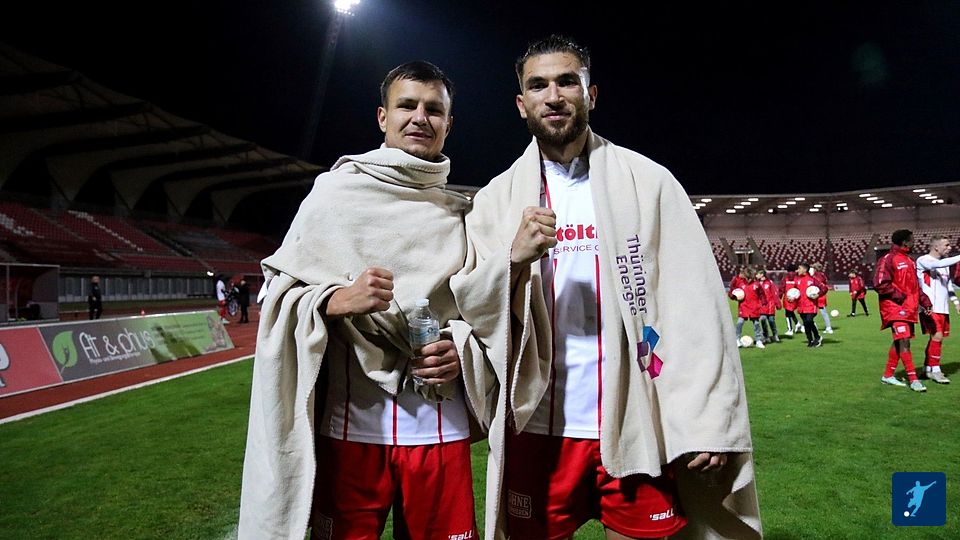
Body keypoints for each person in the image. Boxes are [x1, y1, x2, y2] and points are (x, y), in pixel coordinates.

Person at [451, 35, 760, 540]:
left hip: (635, 417)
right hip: (537, 427)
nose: (553, 96)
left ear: (590, 94)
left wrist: (708, 419)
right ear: (521, 103)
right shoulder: (495, 201)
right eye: (538, 85)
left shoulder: (649, 183)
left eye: (567, 82)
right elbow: (472, 307)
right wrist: (512, 258)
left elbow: (696, 307)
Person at [238, 61, 479, 540]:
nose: (420, 117)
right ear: (382, 117)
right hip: (351, 426)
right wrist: (333, 300)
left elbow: (486, 309)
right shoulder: (333, 196)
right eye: (407, 105)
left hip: (440, 425)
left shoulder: (464, 213)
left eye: (434, 109)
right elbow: (274, 294)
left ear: (448, 124)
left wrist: (462, 347)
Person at [874, 229, 931, 393]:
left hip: (909, 307)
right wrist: (900, 296)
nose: (914, 242)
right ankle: (913, 380)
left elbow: (914, 286)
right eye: (912, 239)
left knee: (901, 340)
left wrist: (925, 301)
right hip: (894, 307)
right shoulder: (888, 259)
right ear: (905, 242)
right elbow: (880, 283)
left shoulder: (910, 260)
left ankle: (888, 375)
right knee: (904, 339)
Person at [915, 235, 960, 384]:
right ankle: (936, 371)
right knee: (937, 336)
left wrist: (955, 301)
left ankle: (927, 368)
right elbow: (936, 265)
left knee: (935, 338)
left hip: (943, 307)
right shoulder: (923, 260)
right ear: (936, 247)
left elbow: (948, 285)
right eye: (946, 245)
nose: (949, 247)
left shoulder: (944, 264)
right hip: (929, 306)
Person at [729, 266, 765, 348]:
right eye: (747, 277)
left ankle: (758, 340)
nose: (749, 279)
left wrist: (763, 302)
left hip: (754, 307)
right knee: (739, 322)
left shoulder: (757, 284)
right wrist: (733, 296)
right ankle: (737, 339)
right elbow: (732, 292)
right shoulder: (740, 284)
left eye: (750, 278)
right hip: (743, 306)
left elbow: (762, 294)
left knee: (756, 324)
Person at [795, 263, 826, 347]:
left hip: (811, 305)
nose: (798, 270)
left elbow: (824, 288)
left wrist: (818, 294)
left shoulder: (813, 279)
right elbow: (795, 292)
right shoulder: (797, 280)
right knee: (806, 323)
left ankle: (817, 337)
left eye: (799, 268)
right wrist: (792, 298)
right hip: (801, 306)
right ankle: (810, 340)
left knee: (809, 321)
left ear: (805, 270)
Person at [756, 269, 781, 343]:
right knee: (763, 319)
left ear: (762, 275)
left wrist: (778, 303)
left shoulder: (769, 282)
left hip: (770, 305)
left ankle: (775, 334)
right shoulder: (756, 283)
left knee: (771, 320)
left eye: (757, 274)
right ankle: (766, 336)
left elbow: (774, 293)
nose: (756, 276)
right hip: (761, 305)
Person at [810, 262, 834, 334]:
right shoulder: (823, 275)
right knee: (823, 312)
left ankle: (813, 326)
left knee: (811, 312)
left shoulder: (815, 276)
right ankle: (828, 327)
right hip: (822, 295)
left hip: (817, 295)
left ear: (815, 269)